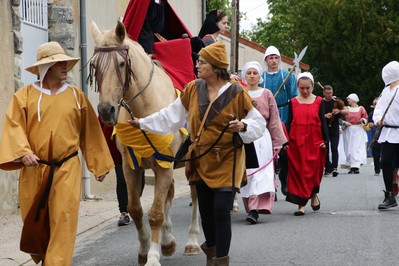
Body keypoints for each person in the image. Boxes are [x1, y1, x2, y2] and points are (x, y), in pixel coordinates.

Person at [127, 42, 265, 265]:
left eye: (202, 62)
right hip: (200, 158)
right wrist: (143, 123)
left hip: (227, 158)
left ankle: (221, 260)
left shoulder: (237, 92)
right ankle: (212, 253)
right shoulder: (192, 89)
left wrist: (243, 126)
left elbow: (258, 122)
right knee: (207, 214)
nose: (197, 65)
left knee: (221, 211)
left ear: (215, 66)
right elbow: (170, 116)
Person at [0, 41, 114, 265]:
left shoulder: (76, 96)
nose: (65, 66)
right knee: (34, 224)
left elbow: (90, 131)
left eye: (65, 62)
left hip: (67, 168)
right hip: (34, 170)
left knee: (64, 220)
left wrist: (98, 164)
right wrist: (23, 152)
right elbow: (13, 126)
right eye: (58, 62)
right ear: (47, 67)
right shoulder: (23, 97)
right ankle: (44, 257)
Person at [239, 61, 287, 224]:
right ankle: (251, 205)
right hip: (245, 135)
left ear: (260, 76)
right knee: (249, 171)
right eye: (249, 73)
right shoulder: (240, 93)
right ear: (244, 75)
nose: (252, 76)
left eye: (255, 73)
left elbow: (274, 119)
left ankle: (256, 208)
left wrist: (277, 141)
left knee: (262, 171)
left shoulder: (267, 94)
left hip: (263, 137)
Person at [285, 72, 328, 216]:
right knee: (299, 172)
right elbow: (289, 122)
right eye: (301, 88)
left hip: (314, 141)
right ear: (297, 86)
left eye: (307, 88)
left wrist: (325, 141)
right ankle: (301, 205)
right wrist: (285, 141)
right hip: (296, 140)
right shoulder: (293, 102)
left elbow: (322, 122)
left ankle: (313, 194)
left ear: (312, 86)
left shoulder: (319, 101)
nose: (304, 91)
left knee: (313, 172)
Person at [259, 45, 297, 196]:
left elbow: (293, 97)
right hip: (267, 116)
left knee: (284, 150)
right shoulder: (262, 77)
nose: (274, 61)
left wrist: (292, 118)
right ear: (266, 60)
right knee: (268, 151)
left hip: (284, 113)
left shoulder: (287, 76)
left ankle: (284, 180)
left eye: (276, 58)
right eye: (271, 58)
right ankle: (270, 184)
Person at [373, 61, 399, 210]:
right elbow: (379, 109)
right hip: (389, 132)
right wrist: (378, 120)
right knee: (386, 162)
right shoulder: (385, 91)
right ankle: (389, 195)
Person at [99, 116, 131, 226]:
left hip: (134, 155)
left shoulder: (127, 109)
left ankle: (133, 205)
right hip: (117, 157)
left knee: (139, 182)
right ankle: (124, 212)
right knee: (121, 181)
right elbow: (98, 133)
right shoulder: (105, 113)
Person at [322, 85, 348, 177]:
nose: (329, 95)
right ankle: (327, 167)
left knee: (334, 148)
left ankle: (334, 168)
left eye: (331, 93)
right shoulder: (320, 102)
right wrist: (325, 115)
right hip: (324, 128)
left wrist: (339, 111)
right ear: (324, 93)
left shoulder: (336, 102)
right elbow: (315, 114)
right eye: (327, 93)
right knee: (325, 148)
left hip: (334, 128)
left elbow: (347, 111)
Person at [342, 93, 368, 174]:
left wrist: (363, 120)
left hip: (358, 129)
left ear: (353, 99)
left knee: (357, 148)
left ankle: (356, 166)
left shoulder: (361, 108)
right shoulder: (346, 108)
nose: (347, 100)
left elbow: (365, 117)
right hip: (349, 129)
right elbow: (341, 118)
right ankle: (350, 165)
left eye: (349, 99)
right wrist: (344, 122)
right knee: (349, 147)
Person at [367, 97, 382, 176]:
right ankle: (377, 170)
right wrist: (370, 124)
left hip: (384, 137)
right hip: (375, 137)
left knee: (385, 155)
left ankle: (383, 166)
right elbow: (369, 124)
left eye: (377, 104)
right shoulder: (371, 114)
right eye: (374, 104)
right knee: (376, 154)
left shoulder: (384, 113)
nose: (375, 105)